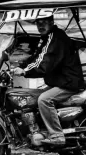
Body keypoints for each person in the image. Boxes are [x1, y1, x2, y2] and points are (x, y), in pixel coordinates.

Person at [13, 15, 84, 146]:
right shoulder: (46, 39)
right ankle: (39, 130)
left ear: (52, 22)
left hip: (68, 82)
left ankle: (57, 135)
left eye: (44, 22)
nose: (41, 26)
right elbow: (36, 58)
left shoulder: (55, 37)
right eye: (38, 23)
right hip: (59, 82)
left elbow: (44, 62)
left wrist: (25, 71)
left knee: (44, 100)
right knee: (32, 97)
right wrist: (20, 66)